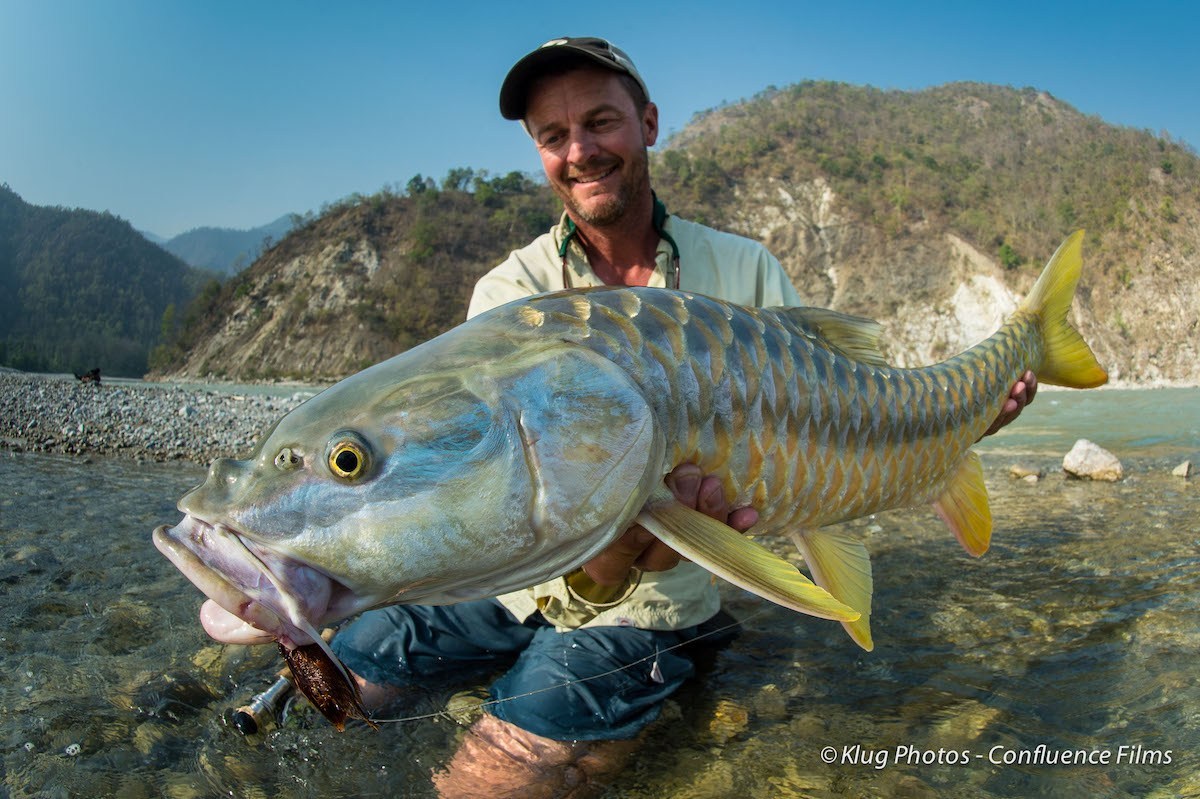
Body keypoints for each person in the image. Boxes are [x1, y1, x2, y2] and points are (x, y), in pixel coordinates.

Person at [331, 36, 1037, 798]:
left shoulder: (746, 271)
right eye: (553, 136)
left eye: (600, 122)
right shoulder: (511, 292)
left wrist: (958, 424)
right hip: (513, 589)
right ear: (539, 152)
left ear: (649, 124)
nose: (580, 150)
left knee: (500, 771)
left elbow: (848, 426)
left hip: (655, 602)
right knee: (349, 663)